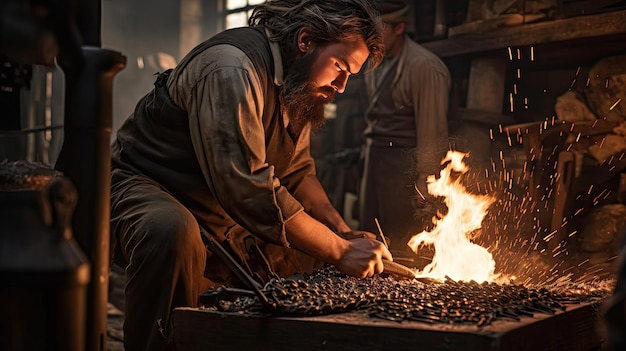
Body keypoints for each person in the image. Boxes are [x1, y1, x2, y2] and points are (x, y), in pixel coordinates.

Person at [109, 1, 392, 350]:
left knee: (311, 250)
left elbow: (298, 173)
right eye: (339, 67)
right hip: (146, 183)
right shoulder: (231, 68)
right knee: (171, 231)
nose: (342, 85)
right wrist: (339, 251)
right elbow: (246, 187)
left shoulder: (298, 84)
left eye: (350, 74)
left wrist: (341, 233)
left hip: (217, 203)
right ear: (306, 41)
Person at [358, 0, 451, 257]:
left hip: (403, 167)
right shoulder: (373, 62)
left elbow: (432, 130)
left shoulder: (424, 67)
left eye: (379, 31)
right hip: (375, 160)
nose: (371, 38)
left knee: (401, 239)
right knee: (371, 232)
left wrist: (425, 176)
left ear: (399, 28)